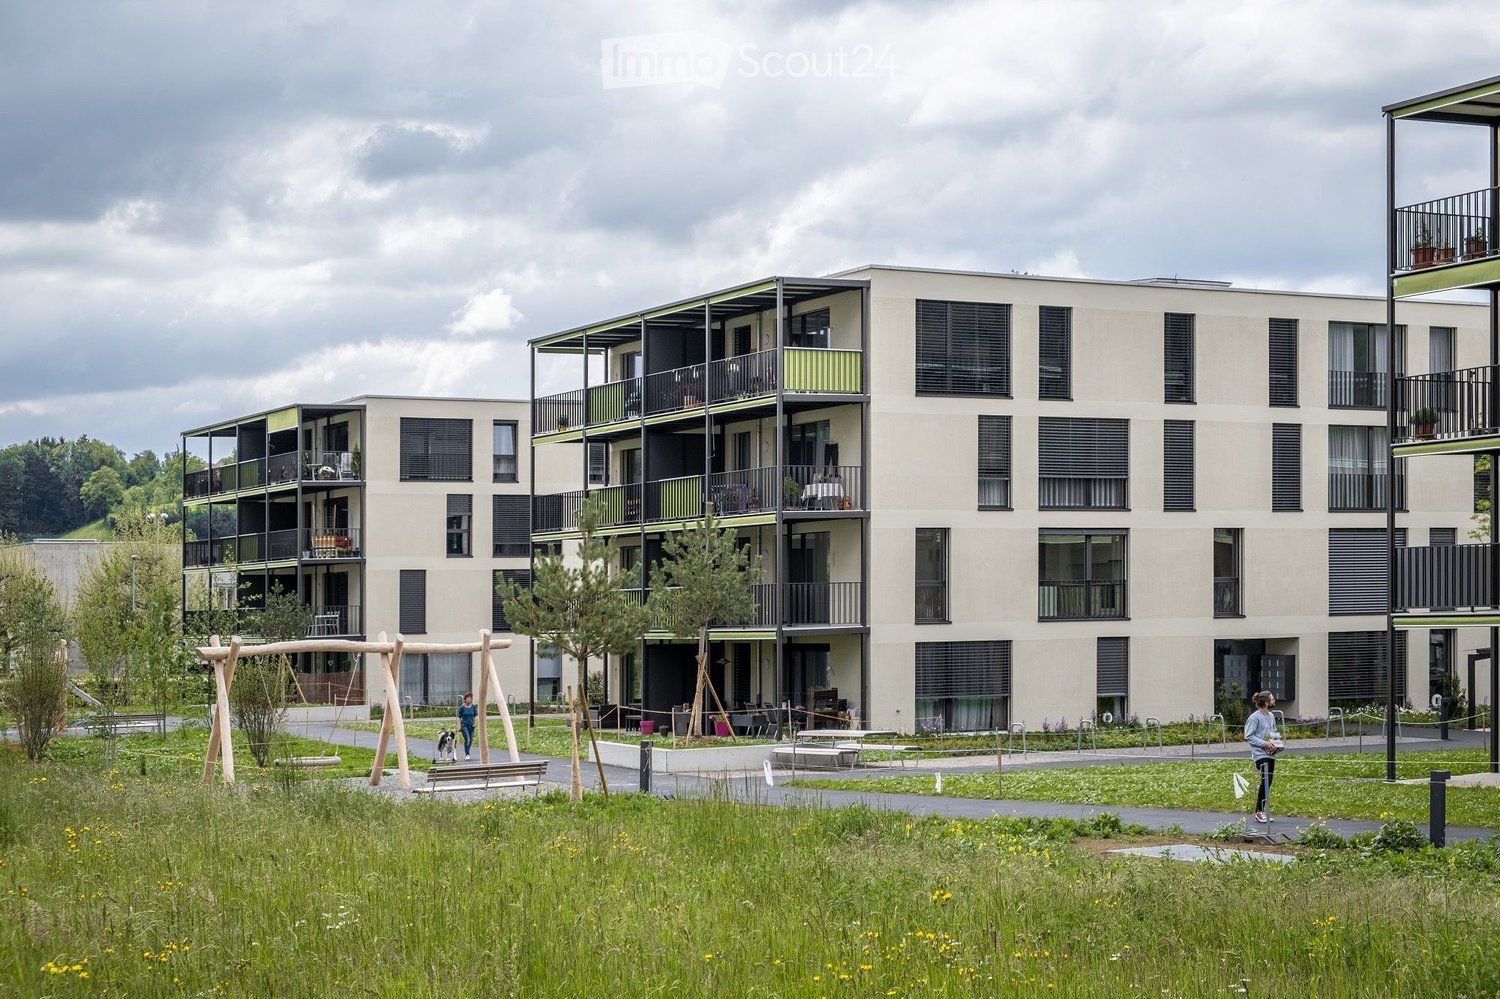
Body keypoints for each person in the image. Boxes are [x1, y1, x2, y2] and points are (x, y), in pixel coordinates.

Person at [1243, 690, 1284, 823]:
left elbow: (1271, 732)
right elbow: (1248, 736)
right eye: (1272, 699)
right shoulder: (1254, 717)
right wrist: (1265, 744)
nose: (1274, 701)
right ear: (1266, 702)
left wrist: (1277, 742)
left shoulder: (1271, 716)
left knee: (1269, 781)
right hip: (1260, 754)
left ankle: (1261, 810)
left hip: (1271, 753)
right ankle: (1258, 811)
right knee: (1265, 780)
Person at [457, 691, 478, 761]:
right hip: (464, 726)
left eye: (471, 698)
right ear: (465, 699)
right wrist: (459, 726)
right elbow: (459, 718)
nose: (469, 699)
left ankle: (467, 751)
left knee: (470, 740)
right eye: (468, 698)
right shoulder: (462, 707)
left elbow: (475, 716)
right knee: (467, 739)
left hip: (471, 726)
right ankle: (467, 754)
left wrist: (475, 722)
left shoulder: (473, 707)